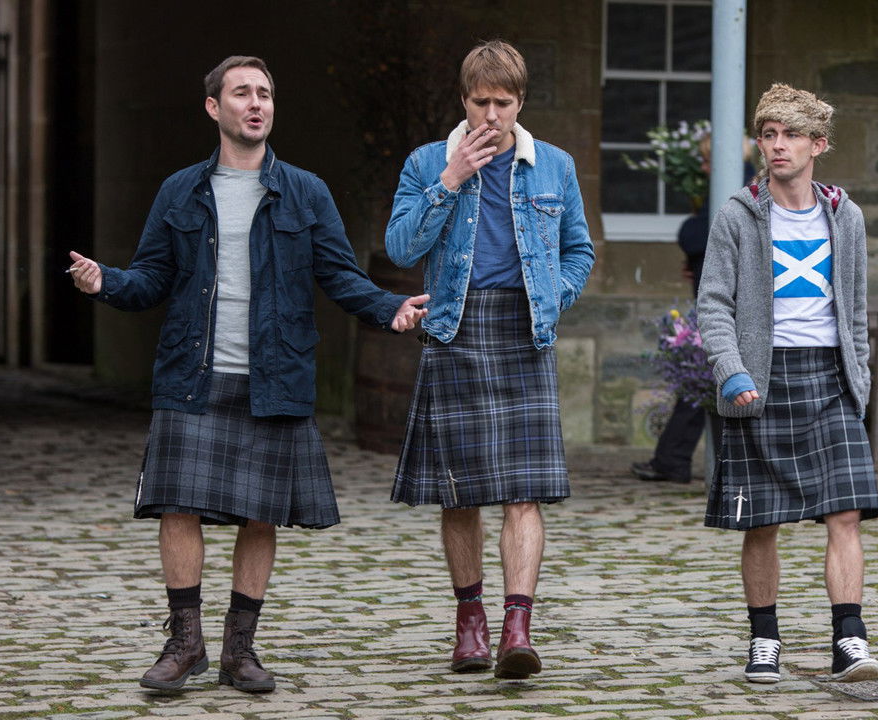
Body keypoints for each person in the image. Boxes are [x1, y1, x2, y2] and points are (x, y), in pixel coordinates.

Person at [67, 55, 428, 694]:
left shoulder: (304, 190)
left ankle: (240, 651)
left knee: (261, 515)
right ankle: (185, 645)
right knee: (178, 506)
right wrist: (105, 283)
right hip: (193, 373)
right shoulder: (181, 190)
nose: (256, 103)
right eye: (242, 93)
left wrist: (388, 307)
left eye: (264, 93)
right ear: (215, 108)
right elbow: (150, 277)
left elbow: (339, 274)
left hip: (275, 374)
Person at [384, 40, 595, 680]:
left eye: (504, 103)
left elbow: (579, 251)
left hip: (524, 329)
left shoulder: (554, 165)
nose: (492, 117)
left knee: (524, 492)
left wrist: (553, 298)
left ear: (520, 103)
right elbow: (399, 246)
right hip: (455, 326)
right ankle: (469, 622)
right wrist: (450, 179)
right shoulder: (427, 161)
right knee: (460, 493)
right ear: (464, 99)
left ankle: (517, 627)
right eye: (482, 103)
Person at [696, 83, 878, 684]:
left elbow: (853, 309)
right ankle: (764, 639)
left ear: (817, 144)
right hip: (762, 378)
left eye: (791, 135)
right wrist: (731, 370)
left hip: (828, 377)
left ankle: (849, 640)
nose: (778, 146)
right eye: (769, 135)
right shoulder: (737, 215)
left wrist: (860, 378)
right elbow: (713, 305)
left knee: (846, 513)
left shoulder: (845, 217)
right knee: (762, 520)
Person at [631, 139, 755, 485]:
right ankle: (673, 458)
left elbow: (701, 233)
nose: (702, 168)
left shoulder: (738, 189)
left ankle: (676, 459)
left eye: (705, 161)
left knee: (705, 375)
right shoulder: (733, 187)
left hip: (727, 305)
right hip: (717, 298)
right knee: (701, 377)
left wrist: (693, 244)